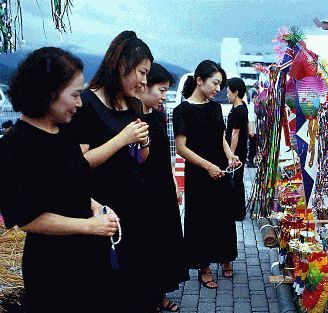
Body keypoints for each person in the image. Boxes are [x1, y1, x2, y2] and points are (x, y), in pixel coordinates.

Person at [0, 47, 118, 313]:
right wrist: (90, 227)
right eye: (75, 94)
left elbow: (70, 184)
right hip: (53, 269)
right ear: (48, 93)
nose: (80, 102)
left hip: (90, 259)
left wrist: (95, 205)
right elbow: (28, 219)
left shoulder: (64, 132)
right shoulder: (13, 147)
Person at [69, 31, 157, 312]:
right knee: (109, 289)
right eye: (142, 72)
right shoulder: (86, 104)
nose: (144, 81)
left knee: (138, 286)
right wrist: (123, 138)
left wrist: (143, 143)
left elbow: (140, 159)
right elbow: (80, 163)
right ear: (122, 66)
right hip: (104, 210)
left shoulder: (131, 104)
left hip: (137, 207)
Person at [173, 60, 239, 289]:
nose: (217, 89)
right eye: (214, 83)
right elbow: (181, 147)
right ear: (199, 81)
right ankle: (204, 267)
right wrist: (207, 166)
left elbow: (220, 137)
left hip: (220, 169)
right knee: (200, 220)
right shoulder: (181, 111)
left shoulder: (215, 107)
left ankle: (225, 257)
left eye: (220, 85)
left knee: (222, 215)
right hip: (199, 174)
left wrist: (230, 155)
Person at [137, 62, 188, 312]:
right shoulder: (131, 118)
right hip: (142, 190)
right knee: (147, 245)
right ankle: (147, 297)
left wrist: (174, 183)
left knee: (164, 243)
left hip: (162, 186)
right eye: (161, 90)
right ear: (144, 86)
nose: (163, 96)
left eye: (167, 91)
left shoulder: (158, 115)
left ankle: (159, 295)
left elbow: (166, 153)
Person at [225, 77, 249, 221]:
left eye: (228, 92)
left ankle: (238, 212)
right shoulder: (238, 107)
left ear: (236, 92)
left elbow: (236, 133)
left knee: (237, 180)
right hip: (236, 150)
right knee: (236, 180)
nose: (227, 95)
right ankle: (235, 209)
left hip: (237, 151)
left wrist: (231, 155)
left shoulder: (240, 110)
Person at [246, 87, 258, 167]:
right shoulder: (251, 106)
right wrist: (251, 131)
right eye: (256, 97)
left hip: (253, 130)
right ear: (254, 97)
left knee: (253, 146)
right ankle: (250, 161)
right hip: (253, 130)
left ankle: (250, 160)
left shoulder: (253, 106)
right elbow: (251, 120)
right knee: (252, 147)